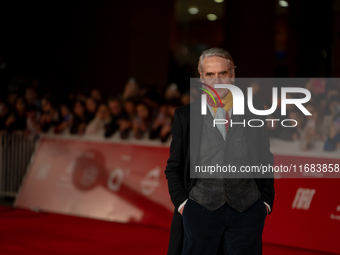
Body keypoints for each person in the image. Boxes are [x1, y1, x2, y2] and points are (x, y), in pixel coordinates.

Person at [165, 48, 275, 255]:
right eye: (210, 74)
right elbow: (174, 166)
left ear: (232, 75)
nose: (217, 80)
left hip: (248, 210)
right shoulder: (186, 116)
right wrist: (183, 205)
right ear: (201, 78)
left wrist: (265, 202)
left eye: (222, 73)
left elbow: (264, 158)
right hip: (199, 209)